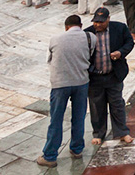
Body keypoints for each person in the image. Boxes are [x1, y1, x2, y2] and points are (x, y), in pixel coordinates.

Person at [38, 14, 91, 167]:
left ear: (66, 27)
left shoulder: (55, 39)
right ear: (80, 26)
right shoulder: (89, 38)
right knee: (79, 117)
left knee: (56, 119)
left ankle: (50, 156)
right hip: (81, 82)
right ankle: (77, 149)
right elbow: (91, 56)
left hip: (60, 84)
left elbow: (50, 60)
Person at [85, 7, 134, 146]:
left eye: (101, 22)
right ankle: (98, 133)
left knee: (117, 104)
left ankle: (122, 132)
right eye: (95, 22)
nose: (97, 25)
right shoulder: (87, 33)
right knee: (96, 106)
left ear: (108, 19)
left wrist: (120, 52)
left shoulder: (120, 28)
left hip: (114, 75)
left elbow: (129, 43)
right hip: (95, 77)